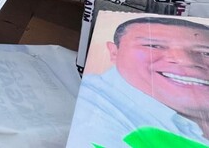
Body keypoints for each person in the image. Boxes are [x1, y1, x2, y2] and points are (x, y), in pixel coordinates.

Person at [67, 16, 209, 147]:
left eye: (205, 53)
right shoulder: (94, 117)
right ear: (114, 52)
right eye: (154, 46)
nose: (186, 61)